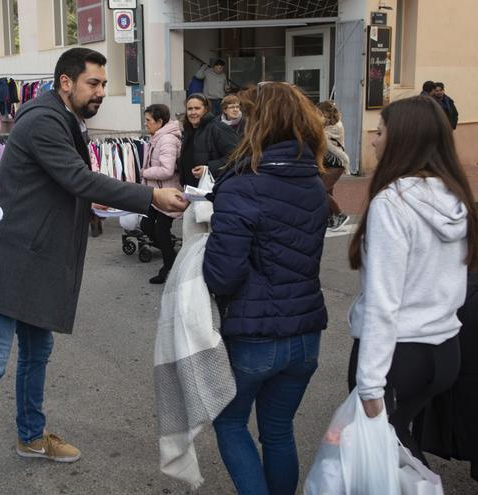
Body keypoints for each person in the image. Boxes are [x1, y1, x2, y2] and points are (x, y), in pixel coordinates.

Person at [0, 47, 187, 495]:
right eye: (93, 84)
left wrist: (96, 205)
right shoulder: (44, 119)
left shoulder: (60, 117)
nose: (100, 92)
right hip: (10, 263)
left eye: (103, 84)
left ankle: (31, 437)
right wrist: (150, 197)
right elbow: (77, 178)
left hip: (38, 262)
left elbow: (67, 186)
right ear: (66, 83)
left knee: (36, 357)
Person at [347, 95, 478, 463]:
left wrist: (369, 385)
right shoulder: (454, 195)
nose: (373, 140)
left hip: (400, 355)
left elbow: (383, 300)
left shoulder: (392, 203)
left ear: (402, 140)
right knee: (399, 445)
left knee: (387, 455)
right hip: (444, 352)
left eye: (379, 132)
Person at [203, 82, 328, 495]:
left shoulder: (241, 185)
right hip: (306, 335)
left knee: (230, 421)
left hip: (255, 337)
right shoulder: (314, 182)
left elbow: (223, 275)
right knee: (277, 431)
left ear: (257, 124)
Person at [141, 103, 182, 284]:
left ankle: (168, 267)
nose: (145, 124)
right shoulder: (156, 137)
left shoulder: (167, 140)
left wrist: (143, 172)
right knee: (146, 225)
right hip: (156, 193)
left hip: (168, 193)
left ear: (159, 121)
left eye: (148, 120)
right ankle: (172, 257)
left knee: (161, 230)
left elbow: (167, 170)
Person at [177, 93, 239, 188]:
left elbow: (237, 157)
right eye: (190, 109)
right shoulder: (188, 131)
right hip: (192, 192)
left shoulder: (218, 128)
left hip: (213, 191)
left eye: (197, 108)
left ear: (205, 110)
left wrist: (209, 169)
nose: (193, 112)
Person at [317, 100, 350, 230]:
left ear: (325, 113)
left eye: (319, 113)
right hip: (328, 163)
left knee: (321, 190)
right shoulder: (329, 125)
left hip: (336, 163)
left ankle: (340, 215)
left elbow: (325, 143)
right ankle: (330, 218)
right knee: (327, 190)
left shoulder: (334, 128)